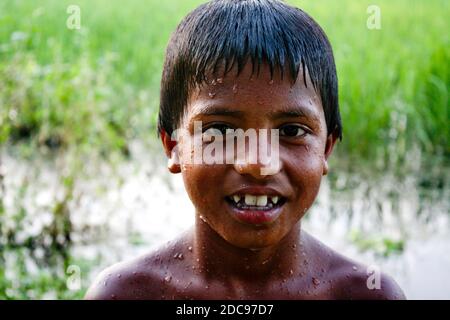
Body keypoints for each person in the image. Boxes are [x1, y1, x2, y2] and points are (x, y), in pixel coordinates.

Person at [86, 0, 405, 300]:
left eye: (291, 131)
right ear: (173, 145)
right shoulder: (128, 293)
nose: (257, 163)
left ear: (326, 147)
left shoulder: (364, 294)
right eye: (220, 130)